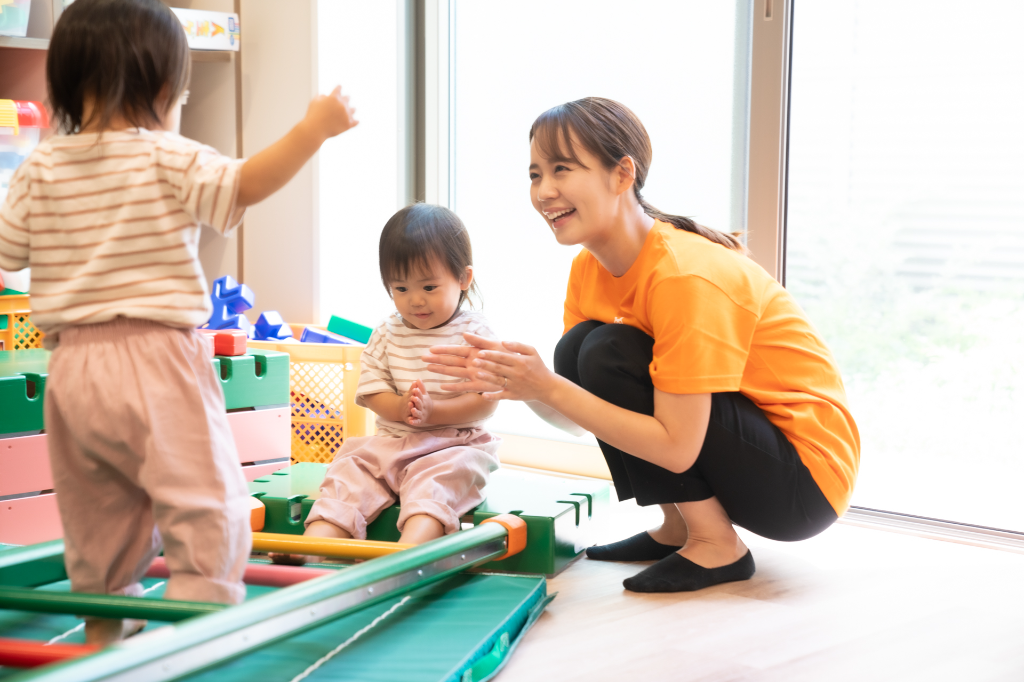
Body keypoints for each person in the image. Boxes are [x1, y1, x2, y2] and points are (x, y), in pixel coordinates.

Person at [0, 0, 358, 643]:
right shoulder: (171, 156)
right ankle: (198, 627)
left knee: (98, 518)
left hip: (72, 370)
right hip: (157, 359)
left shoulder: (39, 170)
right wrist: (314, 128)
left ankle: (108, 636)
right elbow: (248, 183)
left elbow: (6, 256)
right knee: (209, 505)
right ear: (165, 89)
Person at [425, 97, 860, 593]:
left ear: (621, 174)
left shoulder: (682, 273)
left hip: (802, 482)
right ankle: (680, 528)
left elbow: (676, 448)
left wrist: (548, 386)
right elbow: (581, 414)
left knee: (606, 349)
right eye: (535, 174)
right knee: (579, 350)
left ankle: (717, 544)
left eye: (562, 169)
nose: (545, 192)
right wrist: (524, 387)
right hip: (748, 456)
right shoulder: (588, 270)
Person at [272, 204, 501, 565]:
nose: (415, 300)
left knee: (435, 484)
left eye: (429, 286)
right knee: (350, 469)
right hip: (391, 442)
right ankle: (314, 545)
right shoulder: (387, 331)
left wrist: (435, 412)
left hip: (453, 444)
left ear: (463, 278)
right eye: (400, 287)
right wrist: (398, 408)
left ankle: (405, 555)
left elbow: (486, 401)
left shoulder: (475, 333)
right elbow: (372, 389)